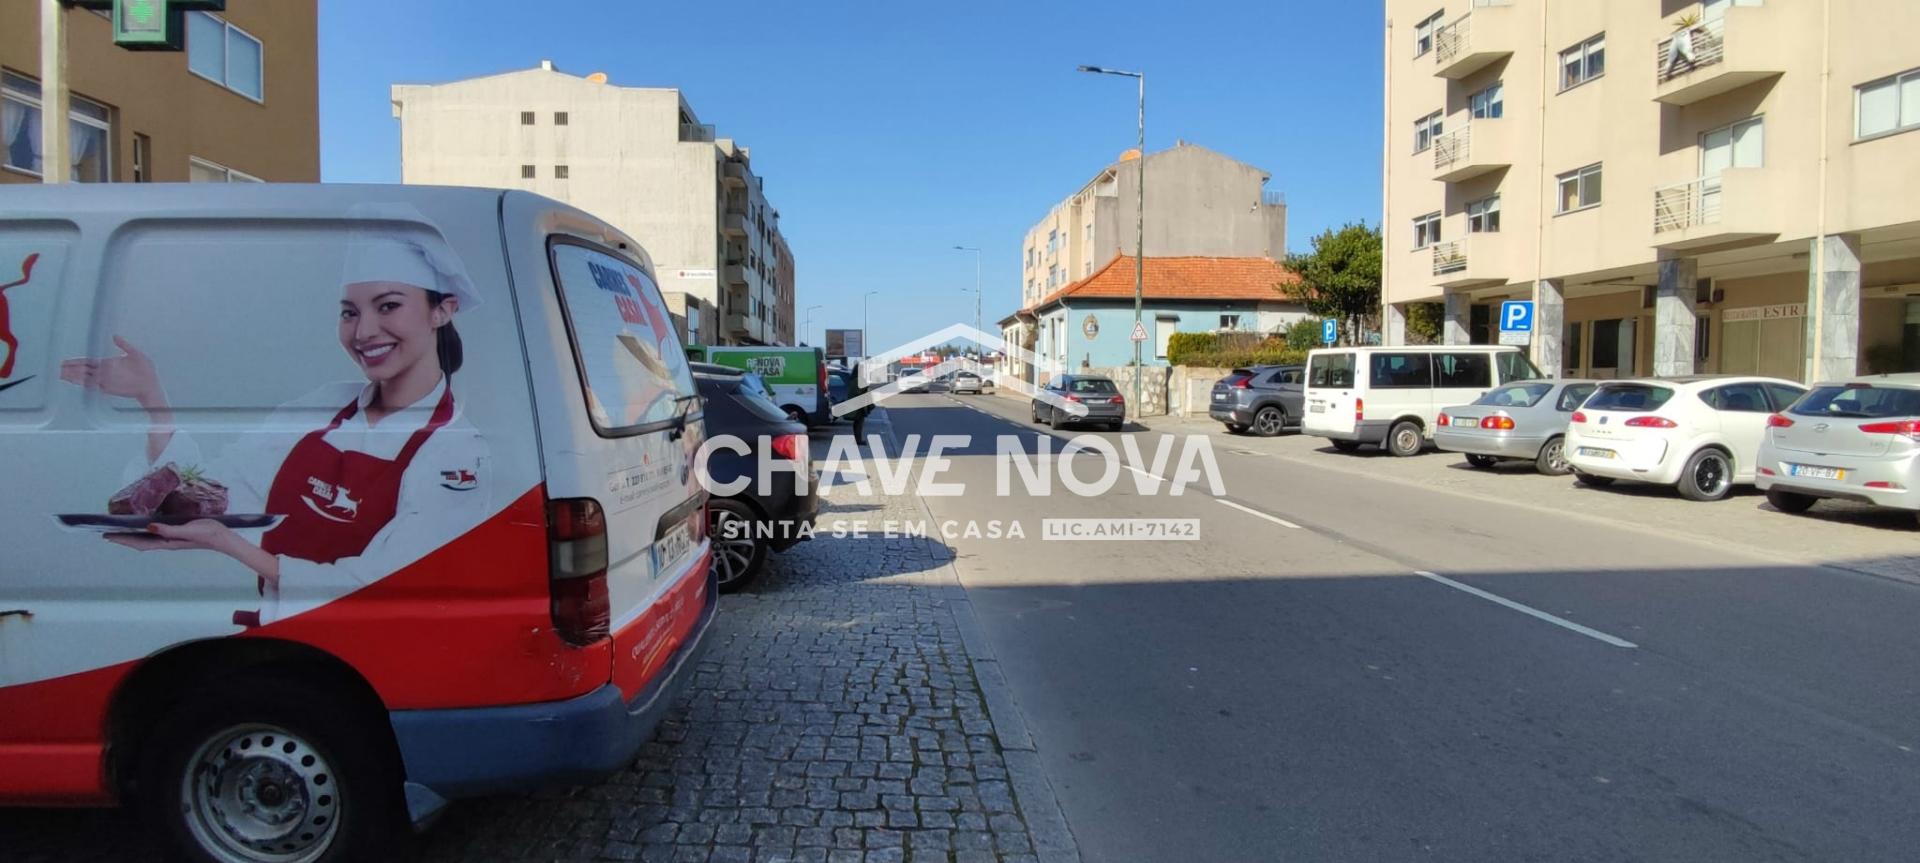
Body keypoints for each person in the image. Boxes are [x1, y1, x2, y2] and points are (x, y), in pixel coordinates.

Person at [61, 231, 491, 626]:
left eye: (388, 306)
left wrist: (230, 545)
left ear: (442, 310)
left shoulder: (457, 453)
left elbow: (384, 582)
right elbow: (217, 492)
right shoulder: (323, 405)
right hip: (285, 642)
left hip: (379, 652)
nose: (363, 331)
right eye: (349, 312)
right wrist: (153, 401)